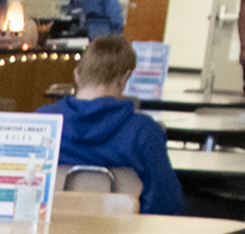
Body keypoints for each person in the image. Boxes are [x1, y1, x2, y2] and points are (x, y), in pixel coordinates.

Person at [41, 36, 181, 215]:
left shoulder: (44, 122)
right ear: (125, 78)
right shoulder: (144, 132)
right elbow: (166, 204)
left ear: (76, 74)